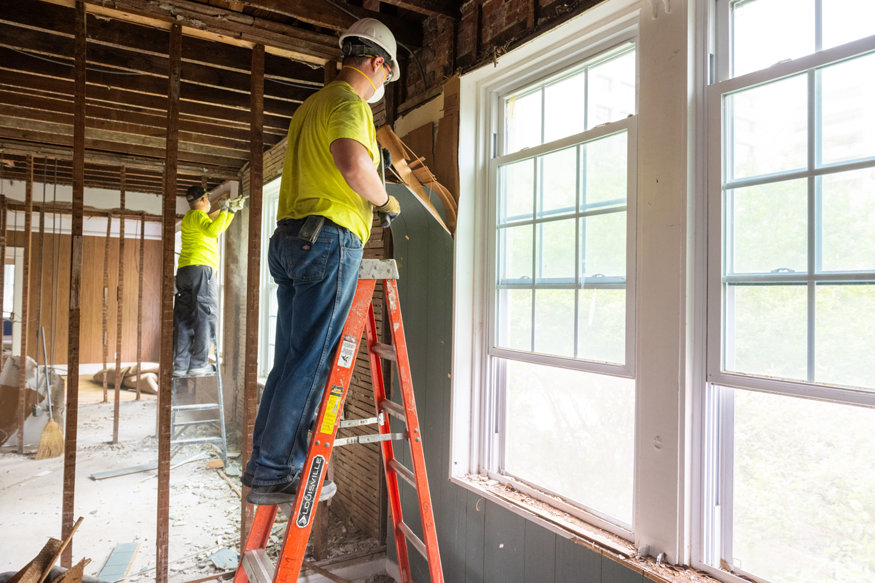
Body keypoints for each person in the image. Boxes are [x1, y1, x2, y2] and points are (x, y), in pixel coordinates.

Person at [244, 17, 402, 505]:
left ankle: (265, 465)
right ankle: (278, 471)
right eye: (385, 76)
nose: (381, 87)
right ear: (377, 63)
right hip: (329, 240)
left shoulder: (311, 106)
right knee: (310, 361)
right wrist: (386, 202)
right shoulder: (350, 103)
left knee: (292, 359)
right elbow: (354, 165)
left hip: (292, 239)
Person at [172, 185, 244, 376]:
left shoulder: (189, 218)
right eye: (208, 199)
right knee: (205, 314)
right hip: (202, 269)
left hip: (185, 271)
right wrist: (227, 210)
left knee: (184, 317)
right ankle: (199, 364)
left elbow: (215, 227)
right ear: (203, 199)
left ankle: (180, 365)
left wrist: (230, 211)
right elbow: (213, 231)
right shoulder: (198, 216)